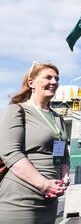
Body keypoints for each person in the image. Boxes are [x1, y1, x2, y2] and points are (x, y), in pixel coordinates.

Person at [0, 62, 70, 224]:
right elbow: (10, 153)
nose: (54, 82)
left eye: (56, 78)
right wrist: (44, 184)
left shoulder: (57, 118)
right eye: (48, 77)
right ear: (31, 83)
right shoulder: (18, 110)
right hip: (21, 199)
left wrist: (64, 176)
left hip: (49, 199)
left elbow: (61, 152)